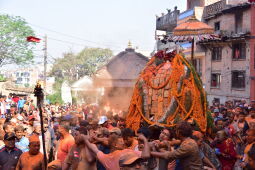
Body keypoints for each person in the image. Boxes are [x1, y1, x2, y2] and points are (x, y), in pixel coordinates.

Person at [83, 133, 150, 170]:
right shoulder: (127, 152)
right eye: (120, 141)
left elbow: (94, 149)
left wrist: (86, 140)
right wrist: (144, 139)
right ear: (115, 145)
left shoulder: (106, 158)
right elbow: (146, 155)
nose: (123, 143)